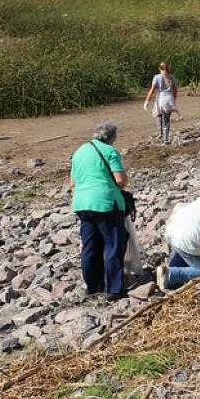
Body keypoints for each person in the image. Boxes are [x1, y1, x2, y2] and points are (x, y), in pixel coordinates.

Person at [70, 121, 129, 301]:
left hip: (82, 204)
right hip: (105, 204)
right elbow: (120, 180)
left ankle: (92, 286)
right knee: (113, 244)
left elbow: (72, 184)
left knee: (90, 246)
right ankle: (113, 289)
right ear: (112, 138)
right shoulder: (110, 152)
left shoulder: (79, 152)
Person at [143, 62, 179, 144]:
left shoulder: (157, 77)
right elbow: (176, 90)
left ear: (159, 68)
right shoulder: (172, 77)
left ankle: (160, 133)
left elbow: (152, 90)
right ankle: (166, 139)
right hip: (169, 98)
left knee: (158, 115)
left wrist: (147, 101)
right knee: (167, 119)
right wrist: (174, 100)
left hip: (161, 98)